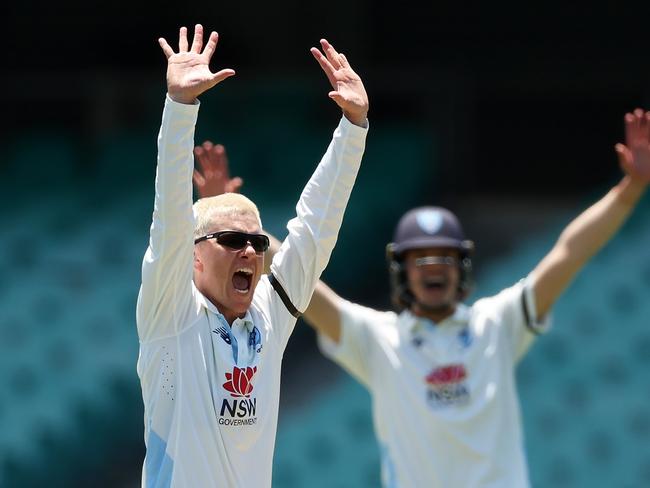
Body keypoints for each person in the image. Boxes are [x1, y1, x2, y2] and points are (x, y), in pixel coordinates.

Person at [194, 109, 650, 487]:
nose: (433, 268)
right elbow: (301, 281)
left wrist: (629, 192)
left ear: (461, 267)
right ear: (403, 270)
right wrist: (232, 231)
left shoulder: (498, 325)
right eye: (422, 259)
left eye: (443, 258)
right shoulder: (379, 339)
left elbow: (569, 253)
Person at [136, 24, 369, 487]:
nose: (249, 251)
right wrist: (180, 107)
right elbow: (170, 219)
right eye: (231, 240)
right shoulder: (171, 314)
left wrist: (354, 127)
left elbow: (316, 226)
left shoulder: (269, 315)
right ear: (194, 257)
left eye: (258, 243)